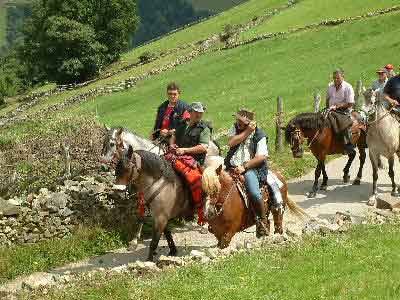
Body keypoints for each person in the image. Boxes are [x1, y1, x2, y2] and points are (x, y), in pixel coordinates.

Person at [224, 109, 284, 237]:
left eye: (241, 121)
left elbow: (261, 157)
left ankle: (262, 221)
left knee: (254, 193)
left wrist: (244, 167)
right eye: (237, 120)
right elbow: (230, 142)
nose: (238, 122)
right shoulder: (235, 128)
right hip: (231, 166)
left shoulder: (260, 134)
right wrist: (246, 132)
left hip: (251, 169)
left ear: (249, 122)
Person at [168, 102, 211, 225]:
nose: (199, 114)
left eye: (201, 113)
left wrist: (185, 150)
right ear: (190, 112)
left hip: (194, 161)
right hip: (177, 157)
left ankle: (201, 212)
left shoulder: (204, 129)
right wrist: (172, 144)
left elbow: (203, 147)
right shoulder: (182, 124)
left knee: (196, 181)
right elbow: (173, 136)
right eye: (196, 112)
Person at [326, 69, 355, 154]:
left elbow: (350, 103)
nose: (335, 80)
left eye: (338, 78)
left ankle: (347, 145)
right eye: (334, 78)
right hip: (331, 109)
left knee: (343, 123)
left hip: (343, 110)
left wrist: (339, 106)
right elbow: (327, 99)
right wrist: (327, 108)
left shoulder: (348, 87)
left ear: (343, 77)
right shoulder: (330, 86)